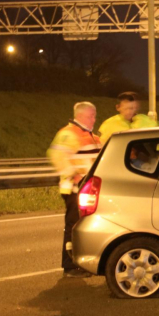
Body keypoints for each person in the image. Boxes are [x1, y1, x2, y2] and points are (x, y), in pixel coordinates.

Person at [47, 102, 102, 277]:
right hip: (73, 189)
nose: (94, 119)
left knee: (82, 225)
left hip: (86, 188)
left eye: (94, 115)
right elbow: (57, 155)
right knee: (73, 225)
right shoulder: (68, 134)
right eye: (90, 116)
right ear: (79, 116)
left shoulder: (91, 135)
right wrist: (73, 174)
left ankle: (81, 263)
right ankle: (69, 266)